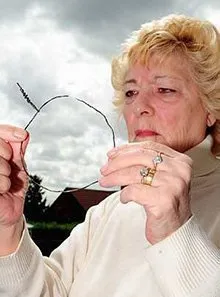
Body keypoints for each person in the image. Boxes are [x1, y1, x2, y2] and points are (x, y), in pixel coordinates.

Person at [0, 14, 220, 297]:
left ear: (212, 107)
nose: (139, 106)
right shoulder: (108, 210)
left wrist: (176, 232)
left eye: (164, 89)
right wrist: (7, 228)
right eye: (130, 92)